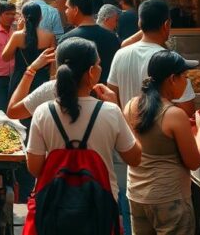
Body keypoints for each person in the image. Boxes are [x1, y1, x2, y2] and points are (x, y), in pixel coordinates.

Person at [26, 39, 141, 224]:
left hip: (55, 208)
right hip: (100, 210)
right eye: (98, 64)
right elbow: (135, 158)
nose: (100, 68)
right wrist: (118, 108)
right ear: (91, 72)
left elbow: (34, 168)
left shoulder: (43, 113)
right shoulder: (110, 112)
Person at [106, 0, 196, 234]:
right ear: (166, 25)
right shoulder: (170, 63)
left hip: (129, 151)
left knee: (133, 213)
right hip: (167, 174)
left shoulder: (121, 54)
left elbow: (112, 99)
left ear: (139, 22)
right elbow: (188, 114)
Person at [121, 51, 200, 235]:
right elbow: (194, 162)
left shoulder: (131, 105)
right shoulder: (174, 114)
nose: (186, 82)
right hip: (169, 199)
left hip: (137, 195)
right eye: (184, 77)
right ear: (172, 79)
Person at [61, 0, 120, 83]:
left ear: (76, 10)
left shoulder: (67, 40)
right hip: (107, 94)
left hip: (79, 96)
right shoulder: (112, 37)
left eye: (67, 8)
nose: (66, 11)